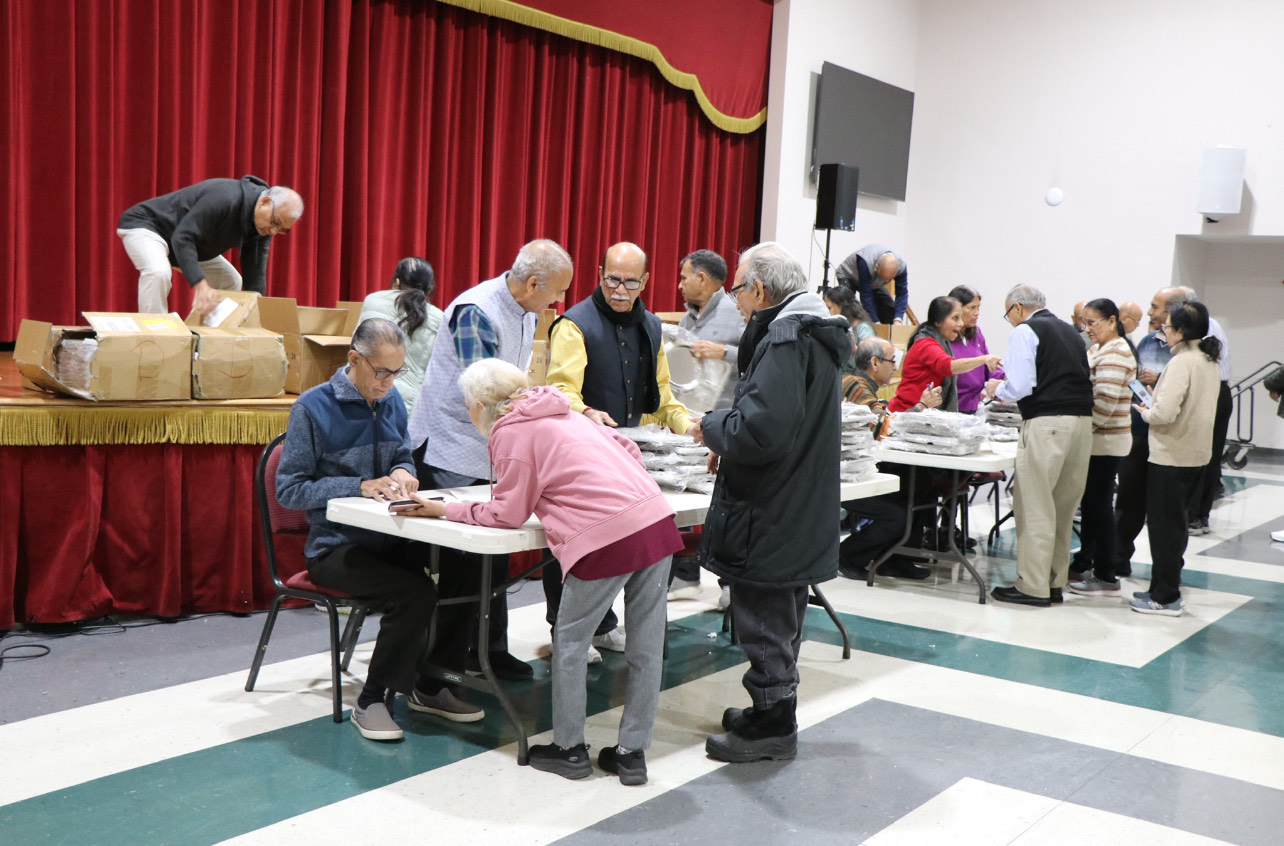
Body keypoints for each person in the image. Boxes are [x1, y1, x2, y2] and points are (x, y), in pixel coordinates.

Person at [403, 359, 681, 784]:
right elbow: (629, 449)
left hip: (606, 538)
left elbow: (507, 514)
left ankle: (569, 749)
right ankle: (631, 753)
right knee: (645, 645)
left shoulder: (510, 430)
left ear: (480, 405)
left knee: (569, 642)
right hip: (655, 519)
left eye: (467, 406)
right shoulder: (563, 409)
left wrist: (444, 508)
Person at [275, 318, 483, 741]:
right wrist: (359, 485)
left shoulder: (390, 402)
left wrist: (405, 472)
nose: (388, 383)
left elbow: (402, 454)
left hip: (391, 535)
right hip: (335, 548)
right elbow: (289, 490)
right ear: (355, 359)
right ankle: (372, 699)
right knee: (413, 593)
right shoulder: (312, 408)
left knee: (468, 564)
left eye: (397, 372)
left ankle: (432, 684)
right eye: (381, 372)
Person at [686, 241, 849, 763]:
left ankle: (773, 724)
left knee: (764, 611)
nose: (734, 299)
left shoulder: (786, 336)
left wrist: (712, 428)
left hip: (773, 504)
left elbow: (760, 432)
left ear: (759, 290)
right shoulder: (813, 329)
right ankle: (768, 707)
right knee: (778, 610)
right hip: (793, 496)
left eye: (736, 288)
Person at [407, 238, 574, 679]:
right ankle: (449, 660)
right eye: (555, 292)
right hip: (452, 446)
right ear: (534, 282)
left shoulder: (525, 309)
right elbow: (485, 390)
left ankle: (489, 650)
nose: (557, 302)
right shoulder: (477, 310)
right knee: (465, 559)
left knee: (495, 554)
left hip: (491, 447)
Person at [545, 241, 692, 655]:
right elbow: (560, 391)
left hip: (631, 456)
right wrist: (588, 411)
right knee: (574, 543)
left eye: (630, 282)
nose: (620, 290)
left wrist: (687, 425)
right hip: (582, 452)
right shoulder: (575, 325)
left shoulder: (651, 325)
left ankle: (603, 623)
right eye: (612, 279)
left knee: (623, 541)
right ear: (598, 273)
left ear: (645, 281)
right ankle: (564, 629)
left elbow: (662, 395)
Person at [986, 285, 1094, 607]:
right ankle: (1053, 582)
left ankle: (1032, 586)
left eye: (1008, 314)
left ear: (1018, 308)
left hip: (1047, 423)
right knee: (1062, 509)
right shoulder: (1070, 331)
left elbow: (1020, 385)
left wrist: (997, 388)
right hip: (1081, 425)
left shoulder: (1025, 330)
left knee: (1034, 506)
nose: (1009, 321)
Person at [1130, 301, 1221, 616]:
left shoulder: (1183, 362)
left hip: (1172, 456)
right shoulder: (1207, 360)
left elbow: (1165, 413)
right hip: (1194, 455)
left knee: (1165, 529)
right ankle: (1160, 587)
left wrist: (1146, 410)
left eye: (1167, 326)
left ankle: (1166, 596)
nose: (1163, 330)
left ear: (1181, 331)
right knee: (1174, 525)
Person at [672, 249, 745, 607]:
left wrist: (724, 352)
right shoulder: (687, 319)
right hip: (691, 420)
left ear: (702, 278)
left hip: (730, 421)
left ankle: (730, 582)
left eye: (684, 277)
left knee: (727, 504)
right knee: (681, 496)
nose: (680, 284)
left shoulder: (738, 310)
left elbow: (759, 352)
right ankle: (685, 575)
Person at [118, 176, 303, 316]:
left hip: (187, 245)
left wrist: (257, 310)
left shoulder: (263, 226)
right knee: (158, 272)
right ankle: (155, 338)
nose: (273, 231)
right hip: (149, 227)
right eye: (275, 222)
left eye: (281, 229)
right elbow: (182, 237)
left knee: (231, 281)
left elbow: (254, 272)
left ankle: (207, 337)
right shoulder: (225, 197)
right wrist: (199, 283)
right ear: (264, 202)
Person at [838, 337, 940, 581]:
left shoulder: (864, 388)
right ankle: (847, 555)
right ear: (874, 362)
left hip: (858, 467)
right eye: (893, 361)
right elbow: (882, 426)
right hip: (846, 473)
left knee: (919, 490)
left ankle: (896, 560)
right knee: (898, 514)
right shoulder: (854, 385)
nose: (896, 367)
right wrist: (920, 407)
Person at [1108, 287, 1188, 580]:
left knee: (1167, 509)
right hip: (1140, 432)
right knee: (1128, 501)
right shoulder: (1146, 341)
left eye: (1155, 307)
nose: (1151, 313)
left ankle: (1167, 571)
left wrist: (1160, 378)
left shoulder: (1190, 352)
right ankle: (1118, 559)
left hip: (1170, 438)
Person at [1066, 299, 1137, 596]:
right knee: (1094, 506)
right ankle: (1088, 561)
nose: (1087, 329)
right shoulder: (1099, 350)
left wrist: (1080, 430)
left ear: (1112, 320)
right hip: (1098, 440)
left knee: (1099, 508)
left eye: (1093, 322)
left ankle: (1106, 573)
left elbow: (1105, 404)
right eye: (1084, 323)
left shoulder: (1117, 354)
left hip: (1105, 441)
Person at [358, 257, 443, 418]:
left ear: (397, 281)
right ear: (430, 288)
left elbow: (356, 344)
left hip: (363, 394)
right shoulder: (438, 318)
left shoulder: (373, 301)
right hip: (407, 406)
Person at [1178, 287, 1233, 535]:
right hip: (1217, 391)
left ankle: (1196, 515)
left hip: (1211, 393)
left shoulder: (1201, 330)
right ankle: (1197, 515)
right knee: (1206, 456)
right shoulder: (1210, 325)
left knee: (1201, 455)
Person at [888, 296, 1002, 413]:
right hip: (907, 413)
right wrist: (983, 359)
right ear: (938, 321)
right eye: (955, 318)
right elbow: (948, 366)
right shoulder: (925, 343)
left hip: (925, 415)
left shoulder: (943, 342)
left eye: (960, 318)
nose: (961, 323)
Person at [947, 285, 1005, 413]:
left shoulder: (976, 334)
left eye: (978, 307)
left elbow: (988, 368)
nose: (977, 313)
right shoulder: (945, 337)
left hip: (973, 407)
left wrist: (1005, 378)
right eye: (972, 308)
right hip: (951, 408)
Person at [835, 244, 909, 324]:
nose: (887, 281)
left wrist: (898, 319)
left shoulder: (901, 266)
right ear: (877, 267)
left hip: (873, 281)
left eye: (890, 279)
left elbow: (902, 293)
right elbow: (866, 295)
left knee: (889, 308)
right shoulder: (866, 261)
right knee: (851, 308)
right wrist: (875, 322)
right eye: (883, 278)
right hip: (848, 275)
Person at [823, 285, 876, 377]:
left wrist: (855, 351)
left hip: (854, 383)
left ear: (842, 307)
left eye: (829, 308)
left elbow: (870, 360)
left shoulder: (863, 329)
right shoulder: (838, 327)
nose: (826, 313)